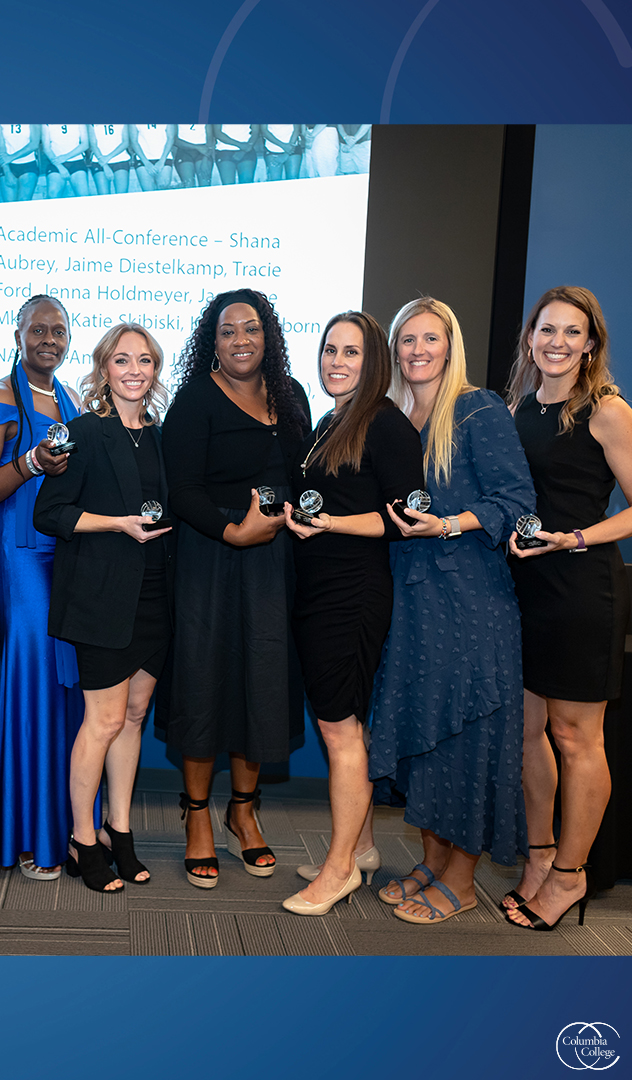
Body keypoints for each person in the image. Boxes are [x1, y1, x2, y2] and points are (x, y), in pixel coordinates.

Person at [367, 298, 534, 923]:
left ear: (449, 344)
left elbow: (515, 499)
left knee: (466, 735)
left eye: (428, 339)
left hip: (469, 599)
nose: (416, 350)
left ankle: (463, 880)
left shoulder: (477, 408)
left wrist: (448, 524)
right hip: (409, 599)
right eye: (406, 339)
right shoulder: (391, 413)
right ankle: (435, 862)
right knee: (425, 735)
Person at [157, 289, 310, 889]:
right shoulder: (196, 399)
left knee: (263, 682)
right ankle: (197, 817)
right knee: (202, 684)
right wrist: (232, 531)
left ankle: (243, 811)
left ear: (268, 335)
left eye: (251, 328)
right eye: (227, 331)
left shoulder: (292, 395)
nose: (240, 339)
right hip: (210, 559)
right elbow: (181, 488)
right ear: (211, 341)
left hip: (275, 564)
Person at [280, 312, 424, 916]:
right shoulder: (330, 420)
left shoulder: (386, 425)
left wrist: (330, 524)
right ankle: (361, 849)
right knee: (342, 726)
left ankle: (339, 871)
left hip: (352, 594)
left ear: (375, 364)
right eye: (330, 350)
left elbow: (404, 517)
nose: (337, 361)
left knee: (343, 732)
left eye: (352, 353)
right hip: (319, 591)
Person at [505, 286, 632, 930]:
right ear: (531, 338)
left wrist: (577, 536)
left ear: (590, 345)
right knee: (529, 735)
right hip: (526, 590)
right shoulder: (521, 407)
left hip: (583, 589)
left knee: (577, 738)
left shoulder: (607, 411)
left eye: (571, 332)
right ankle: (539, 856)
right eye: (546, 330)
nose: (557, 342)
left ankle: (569, 878)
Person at [34, 324, 173, 892]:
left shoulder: (164, 437)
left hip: (156, 595)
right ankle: (82, 839)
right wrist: (117, 523)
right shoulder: (84, 433)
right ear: (104, 369)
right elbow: (51, 513)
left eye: (145, 360)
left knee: (135, 717)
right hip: (100, 598)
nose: (134, 369)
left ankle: (121, 832)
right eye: (122, 360)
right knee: (105, 720)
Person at [0, 294, 83, 878]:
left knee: (66, 689)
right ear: (17, 333)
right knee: (33, 686)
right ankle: (28, 834)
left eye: (58, 330)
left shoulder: (68, 398)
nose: (49, 339)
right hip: (18, 558)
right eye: (39, 328)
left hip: (65, 557)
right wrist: (30, 462)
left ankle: (63, 824)